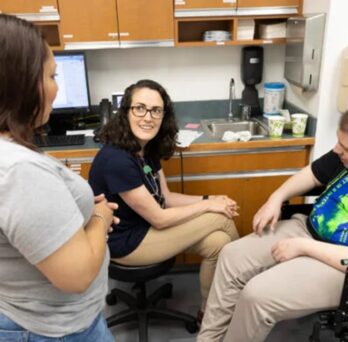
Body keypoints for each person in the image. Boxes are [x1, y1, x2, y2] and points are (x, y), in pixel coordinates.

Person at [0, 14, 118, 341]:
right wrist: (100, 216)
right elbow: (77, 274)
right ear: (22, 83)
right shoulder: (18, 171)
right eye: (52, 75)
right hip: (54, 330)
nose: (57, 87)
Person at [88, 79, 240, 318]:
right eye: (140, 108)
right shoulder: (117, 159)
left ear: (163, 116)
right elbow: (159, 218)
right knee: (221, 219)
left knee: (219, 242)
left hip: (146, 228)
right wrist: (210, 205)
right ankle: (243, 290)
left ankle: (210, 313)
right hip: (125, 242)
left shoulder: (145, 149)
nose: (148, 117)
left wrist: (209, 197)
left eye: (156, 110)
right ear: (125, 112)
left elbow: (166, 198)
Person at [198, 111, 348, 342]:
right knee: (231, 255)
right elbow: (313, 174)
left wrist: (302, 247)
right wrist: (276, 198)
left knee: (257, 295)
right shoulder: (341, 156)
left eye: (346, 148)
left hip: (337, 265)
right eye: (339, 143)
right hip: (306, 230)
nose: (338, 150)